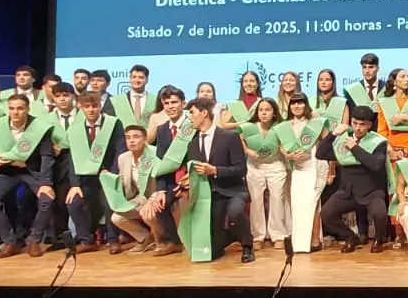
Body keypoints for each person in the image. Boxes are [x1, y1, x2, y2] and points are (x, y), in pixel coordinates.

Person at [0, 93, 56, 258]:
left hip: (31, 171)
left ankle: (34, 241)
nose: (15, 112)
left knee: (47, 200)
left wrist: (45, 183)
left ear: (28, 109)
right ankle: (10, 242)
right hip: (7, 171)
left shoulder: (39, 127)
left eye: (20, 108)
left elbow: (47, 156)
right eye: (12, 108)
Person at [184, 96, 254, 263]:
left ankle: (247, 245)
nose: (189, 118)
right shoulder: (192, 145)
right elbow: (195, 172)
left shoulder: (229, 137)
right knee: (213, 252)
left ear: (204, 113)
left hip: (233, 190)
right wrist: (186, 182)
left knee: (235, 211)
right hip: (210, 195)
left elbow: (241, 169)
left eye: (192, 113)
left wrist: (215, 170)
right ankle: (228, 237)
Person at [316, 106, 391, 253]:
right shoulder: (343, 140)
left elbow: (376, 165)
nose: (358, 128)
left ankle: (378, 239)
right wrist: (333, 134)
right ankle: (350, 237)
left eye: (362, 124)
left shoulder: (378, 141)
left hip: (371, 191)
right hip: (348, 191)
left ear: (369, 125)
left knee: (380, 213)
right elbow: (321, 153)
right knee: (326, 213)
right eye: (355, 123)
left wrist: (355, 148)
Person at [105, 125, 182, 255]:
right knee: (117, 218)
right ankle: (145, 238)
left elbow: (161, 179)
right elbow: (124, 182)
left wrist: (151, 200)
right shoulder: (123, 158)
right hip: (138, 198)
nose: (131, 141)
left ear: (145, 139)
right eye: (128, 138)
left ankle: (162, 240)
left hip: (156, 195)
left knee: (147, 213)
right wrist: (109, 178)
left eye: (136, 137)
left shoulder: (155, 153)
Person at [71, 90, 128, 254]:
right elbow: (73, 157)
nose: (91, 110)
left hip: (109, 174)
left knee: (109, 203)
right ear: (80, 107)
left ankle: (113, 239)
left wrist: (112, 173)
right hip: (86, 177)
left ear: (100, 105)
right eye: (87, 106)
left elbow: (120, 150)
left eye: (94, 106)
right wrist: (75, 184)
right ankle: (87, 240)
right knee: (73, 203)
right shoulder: (75, 128)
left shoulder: (113, 123)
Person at [277, 95, 331, 253]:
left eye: (300, 103)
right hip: (298, 169)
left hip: (316, 165)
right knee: (298, 204)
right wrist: (287, 155)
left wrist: (332, 169)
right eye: (293, 103)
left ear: (306, 105)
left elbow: (329, 144)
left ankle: (315, 240)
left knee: (313, 202)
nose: (296, 106)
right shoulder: (285, 126)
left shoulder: (316, 123)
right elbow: (281, 145)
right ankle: (300, 242)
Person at [240, 97, 289, 250]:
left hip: (275, 166)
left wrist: (289, 154)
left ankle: (278, 235)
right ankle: (258, 236)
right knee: (256, 201)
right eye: (261, 110)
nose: (264, 113)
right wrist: (248, 151)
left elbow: (282, 146)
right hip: (255, 167)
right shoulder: (250, 127)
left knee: (277, 199)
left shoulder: (279, 127)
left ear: (274, 112)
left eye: (267, 110)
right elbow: (239, 139)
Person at [42, 82, 84, 249]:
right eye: (58, 96)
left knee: (80, 200)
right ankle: (60, 237)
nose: (62, 99)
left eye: (66, 95)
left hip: (81, 162)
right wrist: (50, 148)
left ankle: (84, 236)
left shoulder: (84, 115)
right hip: (58, 162)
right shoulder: (46, 120)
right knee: (59, 201)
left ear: (73, 96)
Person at [145, 85, 191, 158]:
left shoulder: (192, 125)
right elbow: (160, 156)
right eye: (166, 103)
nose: (170, 106)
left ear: (184, 104)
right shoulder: (161, 129)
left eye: (174, 102)